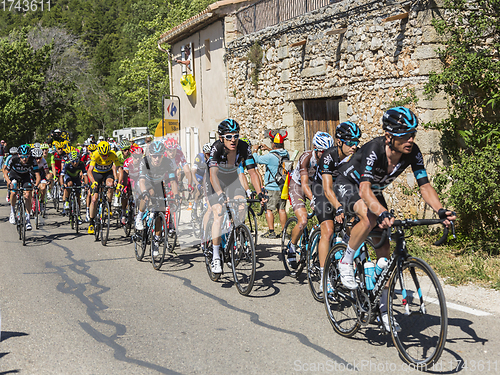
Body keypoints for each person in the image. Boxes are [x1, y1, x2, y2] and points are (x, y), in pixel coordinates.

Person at [333, 107, 456, 332]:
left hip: (373, 190)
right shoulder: (374, 149)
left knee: (385, 257)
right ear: (389, 136)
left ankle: (384, 311)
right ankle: (345, 261)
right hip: (349, 185)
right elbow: (364, 190)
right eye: (404, 135)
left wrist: (440, 210)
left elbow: (425, 186)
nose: (410, 139)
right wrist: (381, 212)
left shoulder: (413, 152)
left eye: (413, 134)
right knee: (370, 217)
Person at [207, 119, 266, 274]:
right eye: (228, 136)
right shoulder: (216, 148)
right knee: (218, 214)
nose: (233, 140)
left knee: (241, 207)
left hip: (232, 181)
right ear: (221, 138)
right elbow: (212, 176)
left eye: (236, 136)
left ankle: (236, 234)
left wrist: (259, 192)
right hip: (215, 182)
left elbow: (252, 172)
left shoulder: (244, 147)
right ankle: (215, 257)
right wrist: (220, 194)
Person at [314, 122, 361, 292]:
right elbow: (327, 189)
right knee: (328, 230)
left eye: (356, 141)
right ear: (339, 142)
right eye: (350, 142)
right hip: (322, 190)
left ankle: (346, 260)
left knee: (354, 227)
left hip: (342, 190)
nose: (354, 146)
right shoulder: (329, 155)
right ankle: (323, 276)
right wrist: (339, 207)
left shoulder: (356, 156)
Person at [285, 131, 334, 268]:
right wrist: (313, 199)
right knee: (303, 221)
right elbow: (304, 184)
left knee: (326, 223)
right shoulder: (306, 157)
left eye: (328, 151)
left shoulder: (330, 159)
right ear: (315, 149)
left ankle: (319, 255)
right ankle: (292, 247)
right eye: (322, 151)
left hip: (316, 186)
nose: (325, 155)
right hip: (298, 185)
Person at [135, 141, 179, 255]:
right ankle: (139, 216)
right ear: (150, 155)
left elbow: (173, 180)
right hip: (146, 182)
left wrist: (176, 195)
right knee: (149, 192)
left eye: (159, 156)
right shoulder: (145, 161)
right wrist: (144, 192)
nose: (157, 159)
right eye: (154, 156)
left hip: (158, 184)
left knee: (161, 214)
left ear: (163, 155)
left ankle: (155, 241)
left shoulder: (167, 162)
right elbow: (142, 180)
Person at [252, 131, 290, 238]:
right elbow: (277, 155)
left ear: (273, 144)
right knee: (281, 209)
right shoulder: (286, 153)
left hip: (271, 187)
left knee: (268, 209)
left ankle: (271, 231)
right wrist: (269, 149)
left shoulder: (269, 157)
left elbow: (257, 159)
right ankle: (284, 232)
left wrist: (255, 149)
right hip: (283, 186)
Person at [4, 144, 40, 230]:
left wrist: (36, 185)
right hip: (14, 175)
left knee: (27, 195)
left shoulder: (32, 160)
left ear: (29, 155)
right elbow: (5, 172)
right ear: (19, 155)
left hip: (25, 176)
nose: (24, 159)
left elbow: (37, 175)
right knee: (14, 190)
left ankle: (28, 220)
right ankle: (12, 212)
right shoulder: (13, 159)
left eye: (26, 156)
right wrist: (9, 182)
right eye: (22, 157)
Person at [87, 141, 119, 234]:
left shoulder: (113, 154)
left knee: (110, 185)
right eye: (102, 155)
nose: (104, 156)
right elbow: (89, 171)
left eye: (106, 155)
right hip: (96, 174)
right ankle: (91, 222)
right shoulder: (95, 154)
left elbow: (118, 168)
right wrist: (93, 182)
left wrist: (117, 180)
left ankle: (108, 204)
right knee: (94, 199)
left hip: (107, 173)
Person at [61, 151, 85, 222]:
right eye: (73, 161)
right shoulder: (67, 164)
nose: (75, 163)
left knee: (78, 196)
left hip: (77, 178)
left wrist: (86, 185)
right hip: (68, 177)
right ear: (70, 160)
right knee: (69, 184)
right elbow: (61, 176)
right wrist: (62, 184)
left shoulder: (81, 164)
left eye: (77, 161)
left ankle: (78, 214)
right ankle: (67, 200)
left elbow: (85, 175)